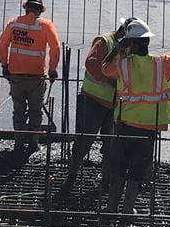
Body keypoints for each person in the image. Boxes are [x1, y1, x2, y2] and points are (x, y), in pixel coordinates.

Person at [97, 18, 170, 214]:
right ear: (147, 42)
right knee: (137, 172)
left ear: (130, 43)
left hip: (124, 127)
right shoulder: (162, 64)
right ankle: (127, 210)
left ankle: (111, 207)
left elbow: (104, 68)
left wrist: (117, 48)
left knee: (118, 169)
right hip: (148, 131)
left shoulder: (123, 65)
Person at [58, 16, 135, 200]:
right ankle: (71, 178)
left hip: (113, 106)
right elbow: (91, 64)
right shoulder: (105, 42)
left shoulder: (129, 50)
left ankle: (106, 181)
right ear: (124, 33)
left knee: (110, 146)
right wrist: (110, 80)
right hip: (92, 101)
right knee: (83, 142)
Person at [0, 0, 62, 151]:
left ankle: (19, 143)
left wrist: (4, 65)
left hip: (16, 76)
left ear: (26, 8)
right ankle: (33, 143)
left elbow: (1, 45)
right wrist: (52, 69)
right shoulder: (45, 25)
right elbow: (56, 48)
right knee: (35, 111)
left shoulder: (13, 24)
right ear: (39, 11)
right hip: (36, 78)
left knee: (18, 111)